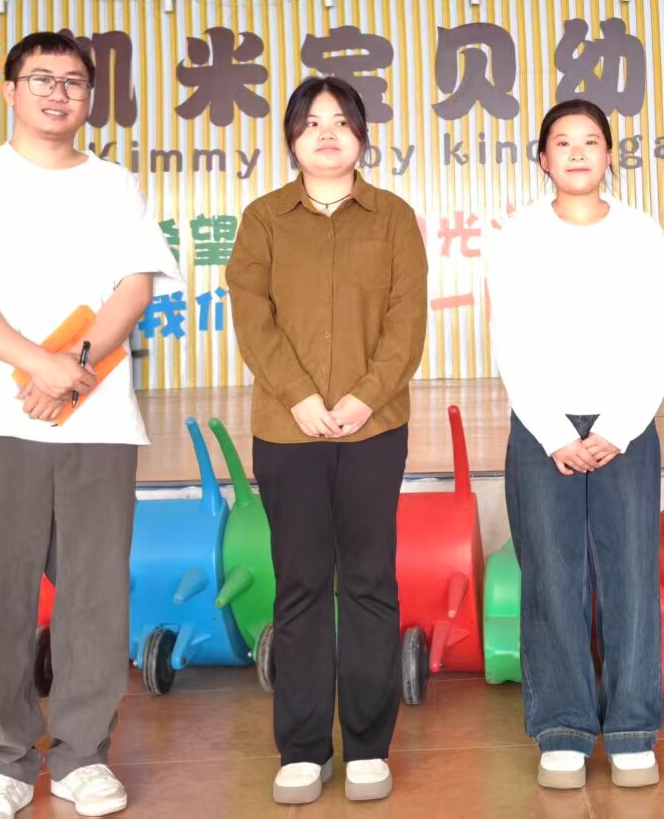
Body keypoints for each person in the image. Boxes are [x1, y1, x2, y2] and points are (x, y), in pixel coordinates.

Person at [0, 31, 182, 819]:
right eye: (42, 78)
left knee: (95, 596)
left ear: (90, 98)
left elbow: (135, 285)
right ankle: (4, 762)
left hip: (99, 418)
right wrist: (38, 363)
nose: (59, 93)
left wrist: (75, 362)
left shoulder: (113, 184)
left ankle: (85, 757)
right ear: (9, 89)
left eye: (74, 82)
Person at [225, 75, 428, 807]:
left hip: (375, 428)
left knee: (370, 579)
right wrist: (302, 398)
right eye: (312, 122)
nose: (328, 133)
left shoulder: (394, 217)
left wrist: (365, 396)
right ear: (292, 140)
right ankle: (303, 749)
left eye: (341, 121)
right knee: (303, 582)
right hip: (290, 429)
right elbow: (254, 320)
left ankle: (369, 746)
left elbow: (407, 320)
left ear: (362, 136)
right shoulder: (263, 219)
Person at [486, 99, 664, 791]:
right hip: (543, 429)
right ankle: (562, 728)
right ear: (542, 159)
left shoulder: (641, 233)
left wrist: (616, 428)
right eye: (561, 142)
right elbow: (510, 341)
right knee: (552, 576)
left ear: (609, 155)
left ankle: (631, 729)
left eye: (590, 140)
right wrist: (555, 432)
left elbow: (658, 337)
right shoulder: (519, 236)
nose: (576, 152)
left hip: (627, 426)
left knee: (630, 576)